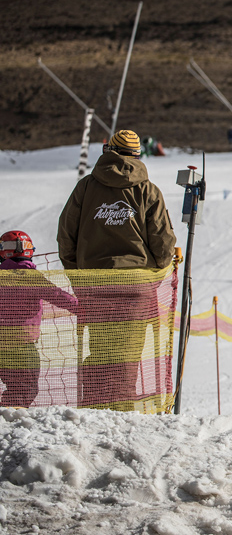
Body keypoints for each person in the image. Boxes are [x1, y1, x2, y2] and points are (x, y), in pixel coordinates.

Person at [57, 129, 177, 410]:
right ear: (137, 154)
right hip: (135, 287)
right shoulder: (148, 190)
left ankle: (95, 410)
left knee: (100, 350)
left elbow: (66, 235)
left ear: (108, 151)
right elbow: (162, 241)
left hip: (96, 284)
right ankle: (120, 414)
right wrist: (156, 271)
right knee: (127, 354)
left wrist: (78, 274)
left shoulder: (86, 187)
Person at [0, 231, 78, 408]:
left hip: (1, 344)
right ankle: (9, 418)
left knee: (13, 386)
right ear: (29, 251)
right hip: (22, 344)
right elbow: (59, 296)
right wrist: (85, 309)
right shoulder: (33, 278)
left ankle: (8, 416)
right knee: (25, 389)